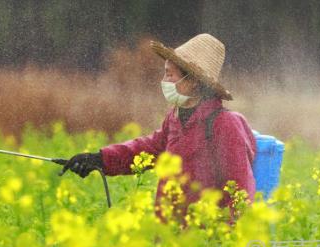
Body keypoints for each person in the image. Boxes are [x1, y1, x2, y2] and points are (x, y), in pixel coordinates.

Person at [61, 33, 257, 226]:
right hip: (168, 239)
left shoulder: (225, 124)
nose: (164, 80)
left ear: (194, 80)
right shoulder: (175, 117)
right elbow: (148, 150)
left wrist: (230, 244)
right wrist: (99, 160)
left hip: (206, 243)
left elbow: (240, 192)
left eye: (170, 74)